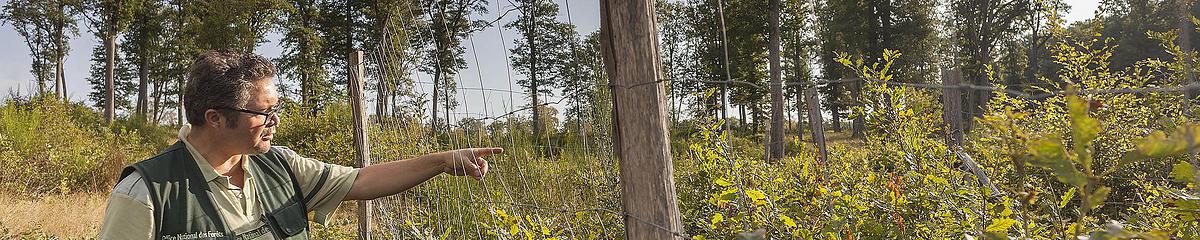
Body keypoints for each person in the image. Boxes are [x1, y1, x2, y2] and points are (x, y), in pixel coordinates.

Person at [98, 50, 502, 239]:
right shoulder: (147, 193)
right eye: (263, 112)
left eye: (278, 108)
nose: (276, 122)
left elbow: (361, 181)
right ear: (215, 117)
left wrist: (441, 161)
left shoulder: (280, 165)